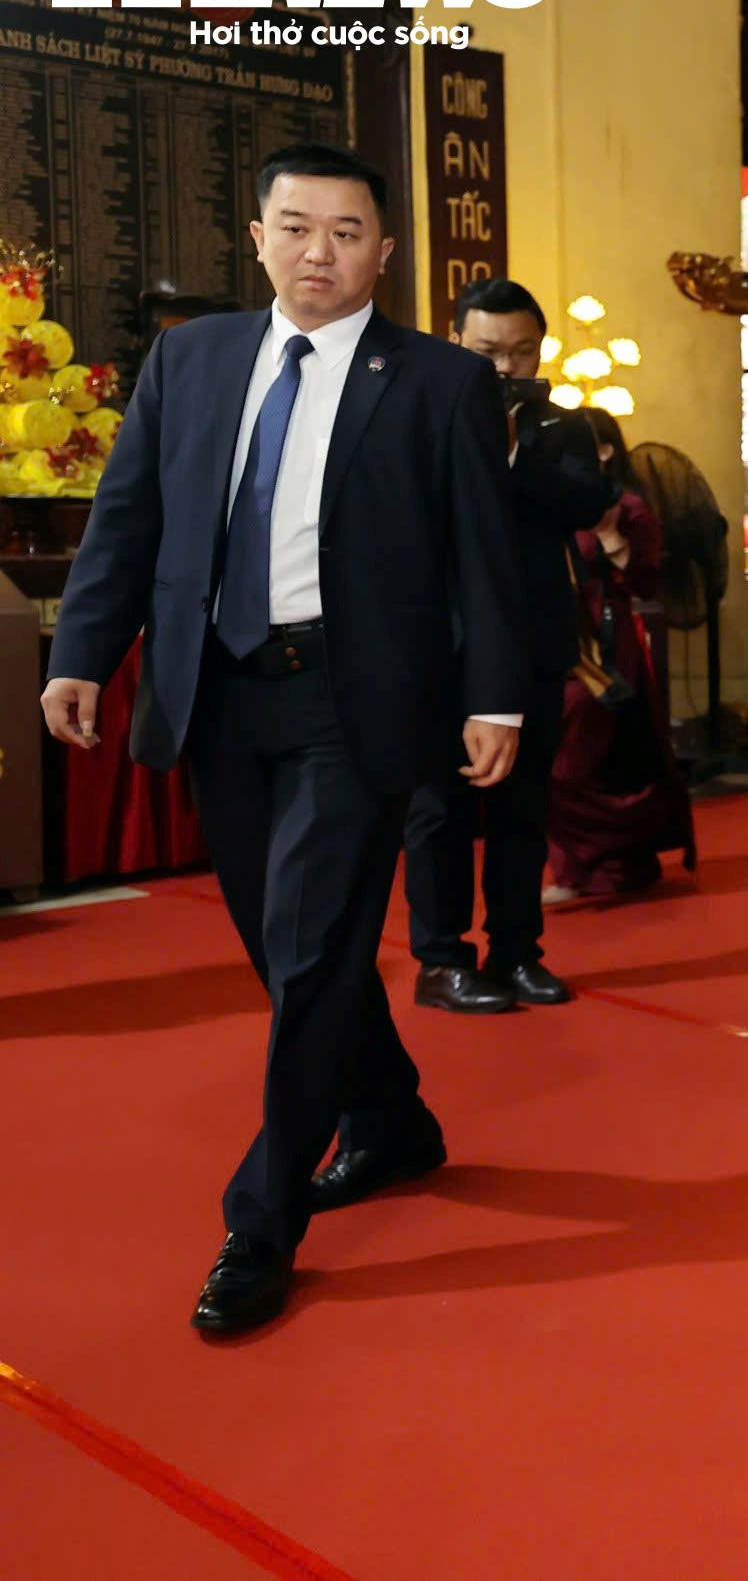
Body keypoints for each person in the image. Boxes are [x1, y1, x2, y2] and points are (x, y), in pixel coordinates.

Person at [38, 142, 528, 1334]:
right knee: (290, 949)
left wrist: (497, 695)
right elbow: (129, 517)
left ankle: (260, 1220)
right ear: (255, 237)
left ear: (385, 250)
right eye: (297, 227)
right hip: (220, 693)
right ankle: (391, 1120)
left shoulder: (438, 382)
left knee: (310, 956)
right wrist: (79, 653)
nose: (321, 252)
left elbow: (484, 553)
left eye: (347, 231)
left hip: (351, 707)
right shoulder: (192, 359)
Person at [402, 279, 617, 1013]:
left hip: (531, 641)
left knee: (525, 809)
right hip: (441, 645)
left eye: (521, 352)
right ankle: (441, 959)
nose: (504, 367)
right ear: (455, 340)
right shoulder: (420, 416)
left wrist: (515, 449)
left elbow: (587, 502)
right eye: (487, 352)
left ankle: (518, 952)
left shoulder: (563, 427)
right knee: (441, 812)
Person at [546, 409, 698, 900]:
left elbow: (646, 581)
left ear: (605, 450)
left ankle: (614, 861)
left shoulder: (629, 507)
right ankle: (579, 869)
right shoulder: (555, 502)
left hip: (609, 646)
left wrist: (612, 536)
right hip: (558, 639)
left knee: (590, 753)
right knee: (561, 754)